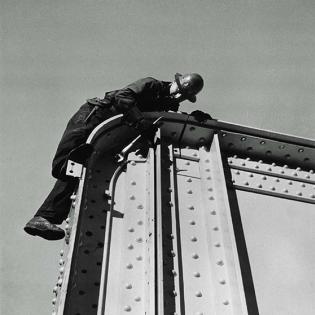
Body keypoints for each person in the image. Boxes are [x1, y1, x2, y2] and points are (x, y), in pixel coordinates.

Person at [24, 73, 212, 240]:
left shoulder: (170, 102)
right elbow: (123, 97)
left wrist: (194, 117)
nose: (179, 96)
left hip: (104, 128)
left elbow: (169, 117)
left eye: (184, 96)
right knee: (65, 164)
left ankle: (44, 217)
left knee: (77, 170)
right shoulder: (151, 84)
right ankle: (44, 216)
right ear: (175, 83)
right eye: (179, 91)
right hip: (92, 117)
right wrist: (140, 122)